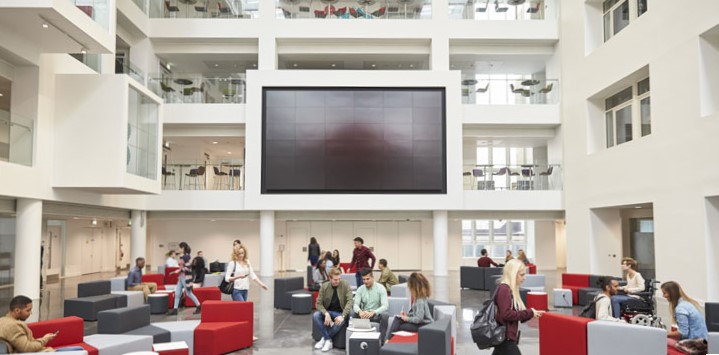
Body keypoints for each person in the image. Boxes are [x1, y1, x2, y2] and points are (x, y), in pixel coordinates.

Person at [493, 259, 543, 355]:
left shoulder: (509, 289)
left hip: (504, 337)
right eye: (521, 275)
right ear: (513, 274)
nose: (524, 278)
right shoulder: (504, 289)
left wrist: (531, 313)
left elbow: (512, 314)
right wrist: (530, 312)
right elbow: (506, 314)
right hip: (505, 338)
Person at [0, 295, 84, 352]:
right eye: (28, 310)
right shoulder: (14, 326)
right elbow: (27, 348)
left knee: (78, 349)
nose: (30, 313)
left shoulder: (3, 320)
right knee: (79, 350)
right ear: (17, 310)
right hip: (39, 352)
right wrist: (45, 339)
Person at [313, 268, 353, 352]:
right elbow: (318, 303)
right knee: (316, 315)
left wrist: (343, 315)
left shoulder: (345, 284)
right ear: (330, 278)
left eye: (339, 279)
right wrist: (326, 313)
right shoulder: (325, 286)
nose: (337, 281)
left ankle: (325, 339)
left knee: (341, 321)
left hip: (340, 313)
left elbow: (350, 301)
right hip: (328, 311)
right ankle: (328, 340)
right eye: (335, 279)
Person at [386, 272, 433, 341]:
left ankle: (388, 340)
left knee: (400, 324)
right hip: (421, 324)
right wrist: (407, 315)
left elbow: (419, 319)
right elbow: (416, 313)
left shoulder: (420, 301)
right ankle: (389, 340)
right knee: (398, 320)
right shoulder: (418, 298)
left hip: (424, 325)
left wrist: (407, 318)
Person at [353, 268, 389, 340]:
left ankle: (381, 340)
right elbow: (355, 304)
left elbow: (385, 306)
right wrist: (360, 311)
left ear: (373, 277)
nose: (365, 281)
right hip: (364, 315)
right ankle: (355, 339)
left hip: (375, 315)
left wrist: (374, 312)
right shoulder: (360, 289)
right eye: (363, 279)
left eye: (367, 279)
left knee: (385, 316)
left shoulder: (381, 288)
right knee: (353, 313)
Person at [168, 242, 201, 315]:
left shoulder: (185, 257)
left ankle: (199, 306)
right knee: (177, 293)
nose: (178, 249)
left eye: (180, 248)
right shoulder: (181, 256)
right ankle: (175, 309)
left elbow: (188, 268)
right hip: (181, 277)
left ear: (183, 248)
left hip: (185, 278)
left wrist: (179, 270)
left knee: (189, 293)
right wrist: (177, 271)